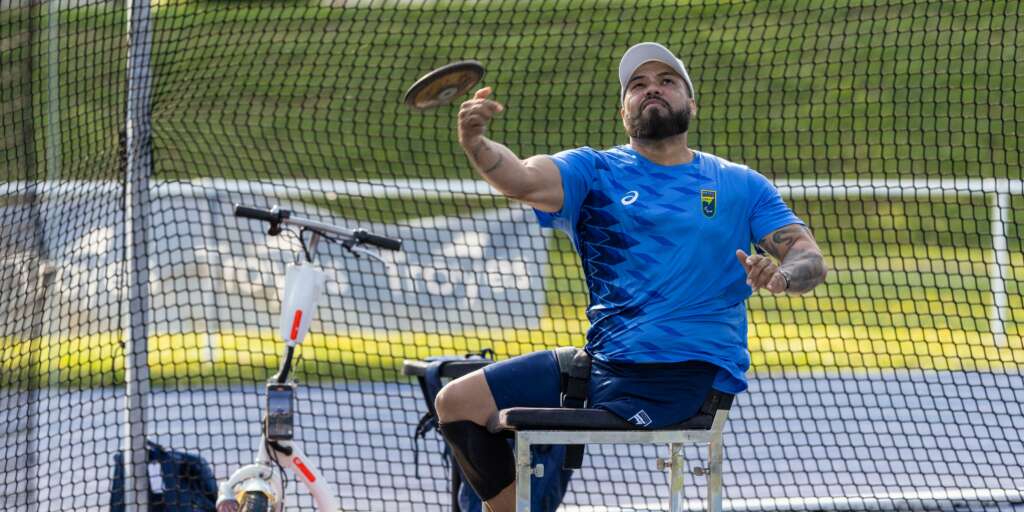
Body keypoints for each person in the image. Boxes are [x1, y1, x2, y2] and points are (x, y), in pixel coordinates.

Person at [434, 42, 828, 511]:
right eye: (637, 85)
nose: (651, 90)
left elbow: (808, 257)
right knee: (456, 402)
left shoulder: (739, 184)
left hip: (685, 375)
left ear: (690, 103)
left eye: (666, 81)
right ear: (624, 112)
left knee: (506, 426)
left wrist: (781, 276)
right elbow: (520, 177)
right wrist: (477, 144)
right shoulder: (594, 171)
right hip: (602, 365)